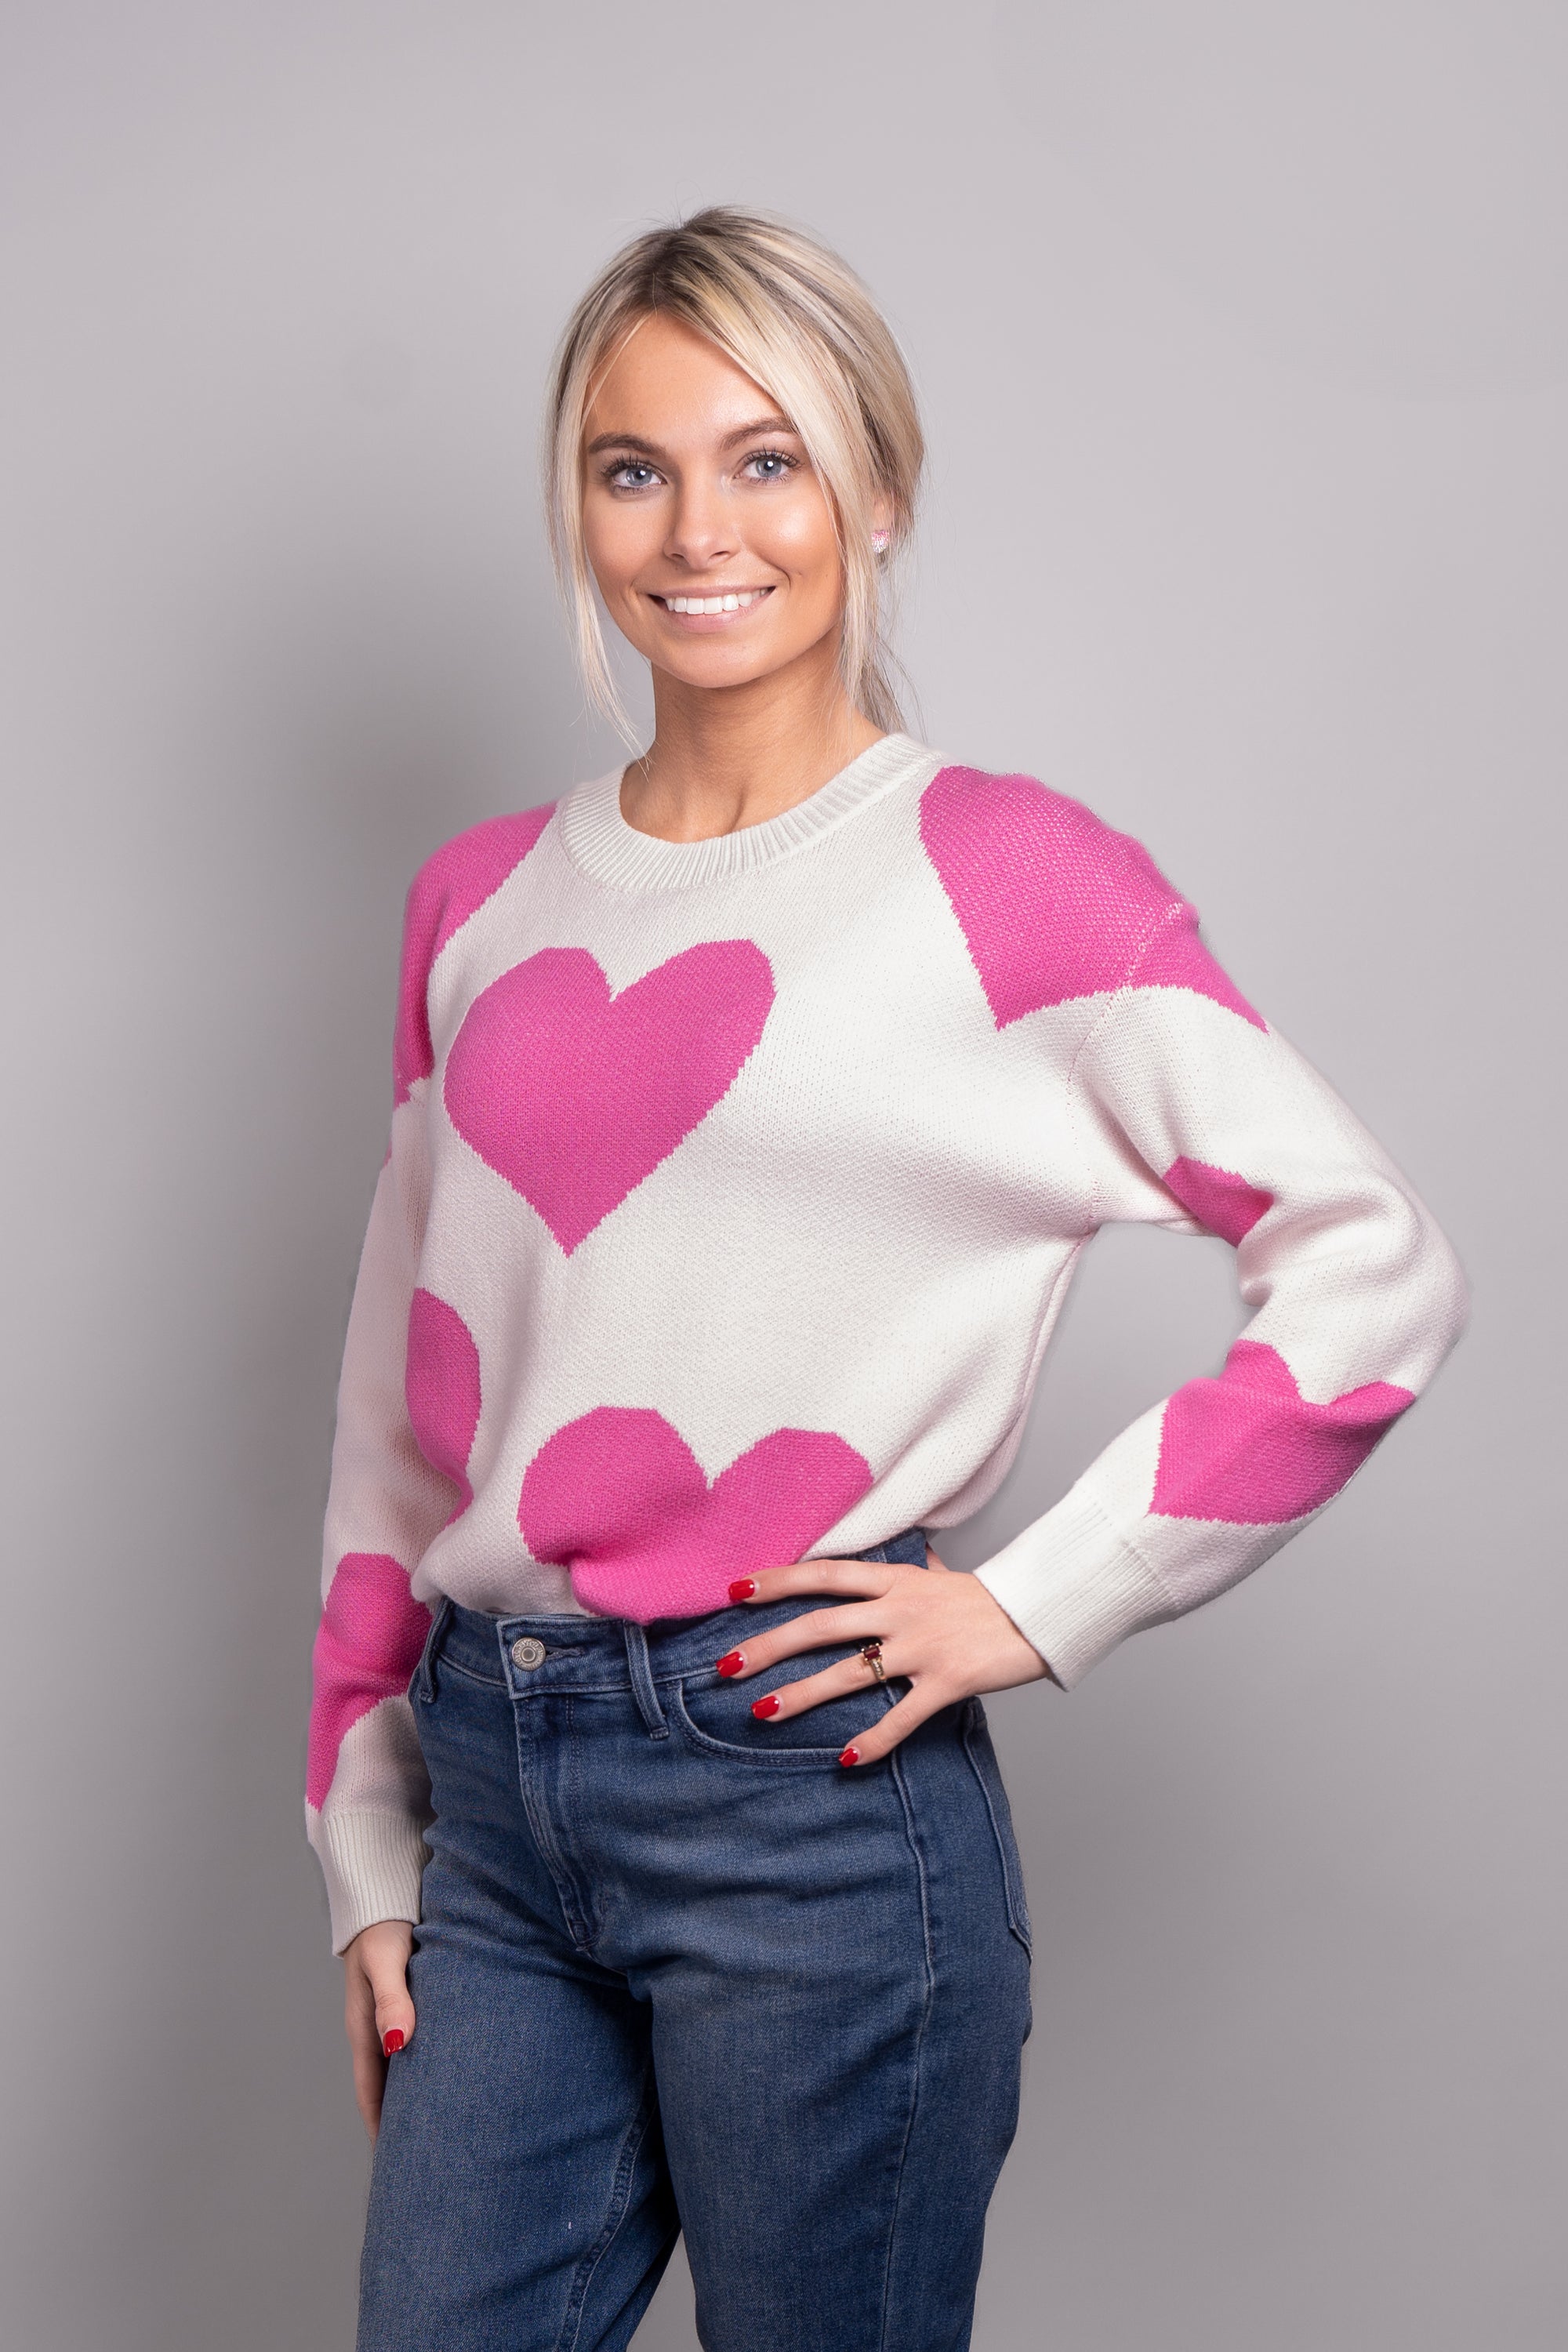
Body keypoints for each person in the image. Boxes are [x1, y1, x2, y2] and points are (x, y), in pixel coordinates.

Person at [307, 206, 1466, 2352]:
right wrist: (372, 1848)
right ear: (578, 500)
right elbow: (405, 1416)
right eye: (633, 466)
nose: (696, 529)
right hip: (498, 1792)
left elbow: (1371, 1269)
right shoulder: (474, 903)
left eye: (768, 458)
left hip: (803, 1800)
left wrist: (1039, 1599)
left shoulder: (1010, 880)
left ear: (880, 488)